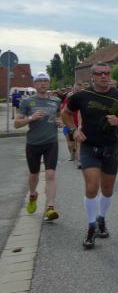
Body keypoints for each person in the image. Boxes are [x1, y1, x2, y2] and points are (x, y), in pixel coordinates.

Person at [61, 62, 118, 249]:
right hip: (89, 146)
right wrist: (74, 130)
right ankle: (91, 226)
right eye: (100, 73)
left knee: (107, 189)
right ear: (92, 76)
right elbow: (66, 114)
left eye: (107, 73)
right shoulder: (81, 96)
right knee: (92, 186)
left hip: (111, 148)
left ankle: (101, 219)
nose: (104, 76)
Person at [14, 72, 61, 221]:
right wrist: (31, 118)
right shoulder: (27, 102)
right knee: (34, 174)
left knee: (50, 175)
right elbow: (16, 124)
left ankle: (50, 208)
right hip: (33, 143)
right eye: (40, 81)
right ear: (34, 84)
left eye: (45, 80)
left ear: (49, 83)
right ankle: (33, 194)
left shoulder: (56, 100)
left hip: (51, 142)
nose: (43, 83)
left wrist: (59, 122)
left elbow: (59, 117)